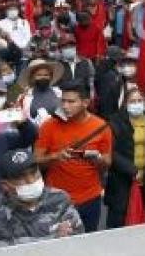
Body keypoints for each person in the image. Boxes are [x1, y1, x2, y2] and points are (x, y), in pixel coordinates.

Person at [33, 78, 112, 233]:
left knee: (87, 242)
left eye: (71, 102)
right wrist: (55, 157)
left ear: (85, 102)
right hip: (55, 199)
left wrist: (97, 159)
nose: (65, 106)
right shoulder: (49, 126)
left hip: (90, 198)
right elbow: (35, 160)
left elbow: (107, 162)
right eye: (63, 101)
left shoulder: (101, 127)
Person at [104, 85, 145, 228]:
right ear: (125, 104)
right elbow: (110, 151)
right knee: (118, 217)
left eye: (140, 100)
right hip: (122, 180)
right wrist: (131, 169)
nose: (137, 104)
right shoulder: (115, 122)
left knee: (140, 215)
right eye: (132, 101)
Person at [0, 149, 83, 247]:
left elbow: (79, 235)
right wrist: (54, 239)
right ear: (6, 185)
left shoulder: (59, 198)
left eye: (34, 173)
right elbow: (3, 255)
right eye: (21, 177)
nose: (31, 180)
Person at [0, 78, 37, 199]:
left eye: (0, 94)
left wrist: (23, 123)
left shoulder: (0, 138)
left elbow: (30, 136)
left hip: (1, 198)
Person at [15, 58, 63, 125]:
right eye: (39, 75)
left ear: (50, 77)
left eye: (46, 75)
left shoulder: (59, 93)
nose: (43, 77)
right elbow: (18, 120)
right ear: (32, 77)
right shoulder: (23, 97)